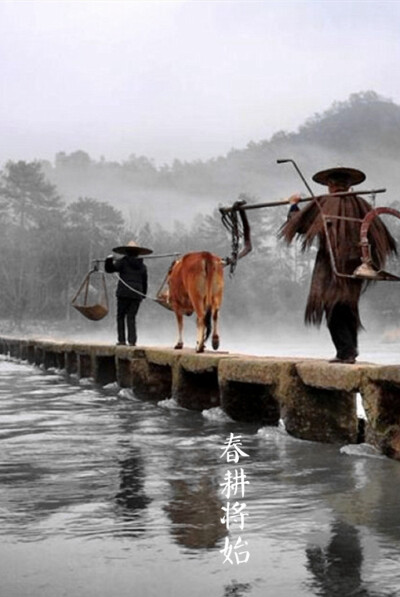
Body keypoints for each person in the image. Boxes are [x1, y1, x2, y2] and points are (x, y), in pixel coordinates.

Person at [280, 167, 397, 363]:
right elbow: (381, 235)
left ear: (330, 185)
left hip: (332, 265)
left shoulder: (325, 203)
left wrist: (293, 205)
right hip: (356, 265)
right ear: (349, 185)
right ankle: (349, 350)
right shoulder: (362, 204)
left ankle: (346, 352)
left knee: (333, 306)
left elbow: (298, 225)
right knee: (347, 306)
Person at [105, 240, 152, 346]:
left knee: (120, 316)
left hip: (124, 293)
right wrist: (143, 295)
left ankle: (122, 340)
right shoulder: (143, 266)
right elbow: (145, 282)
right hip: (136, 294)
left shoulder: (123, 262)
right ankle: (132, 341)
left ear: (127, 252)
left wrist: (108, 260)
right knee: (131, 317)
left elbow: (110, 269)